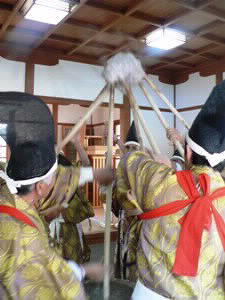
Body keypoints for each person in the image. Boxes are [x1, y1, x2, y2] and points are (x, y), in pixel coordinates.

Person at [115, 81, 225, 299]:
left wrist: (156, 162)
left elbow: (130, 160)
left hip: (153, 294)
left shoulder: (161, 182)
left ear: (188, 154)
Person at [0, 92, 113, 299]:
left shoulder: (7, 194)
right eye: (55, 180)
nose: (60, 183)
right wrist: (83, 271)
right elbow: (47, 283)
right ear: (42, 189)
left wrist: (94, 172)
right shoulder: (26, 234)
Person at [44, 134, 94, 264]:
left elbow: (86, 165)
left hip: (69, 228)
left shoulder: (69, 169)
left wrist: (77, 144)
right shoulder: (42, 173)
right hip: (49, 228)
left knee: (72, 268)